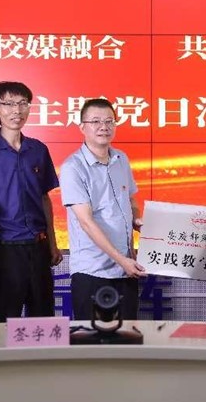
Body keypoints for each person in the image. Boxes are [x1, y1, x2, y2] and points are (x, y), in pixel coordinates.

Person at [0, 81, 62, 323]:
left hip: (39, 249)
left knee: (44, 323)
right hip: (6, 252)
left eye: (22, 103)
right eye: (8, 104)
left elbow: (44, 199)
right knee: (3, 324)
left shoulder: (38, 150)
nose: (16, 111)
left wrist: (52, 244)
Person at [59, 98, 146, 321]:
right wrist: (122, 260)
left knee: (127, 336)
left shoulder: (121, 159)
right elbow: (86, 222)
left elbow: (131, 201)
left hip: (126, 270)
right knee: (93, 340)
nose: (103, 127)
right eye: (96, 121)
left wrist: (138, 222)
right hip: (93, 272)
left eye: (109, 121)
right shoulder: (73, 167)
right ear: (82, 127)